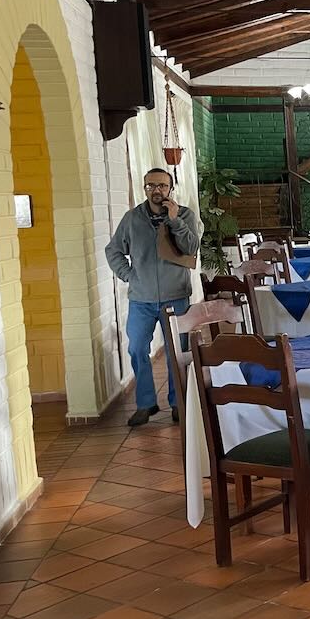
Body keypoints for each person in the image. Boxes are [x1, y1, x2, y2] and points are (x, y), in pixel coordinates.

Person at [105, 167, 200, 426]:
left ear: (171, 189)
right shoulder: (132, 218)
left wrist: (174, 219)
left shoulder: (185, 215)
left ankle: (177, 402)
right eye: (151, 186)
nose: (156, 190)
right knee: (136, 348)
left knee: (175, 352)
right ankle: (146, 404)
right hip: (141, 299)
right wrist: (129, 275)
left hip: (176, 297)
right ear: (144, 188)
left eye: (162, 186)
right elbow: (113, 250)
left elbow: (191, 248)